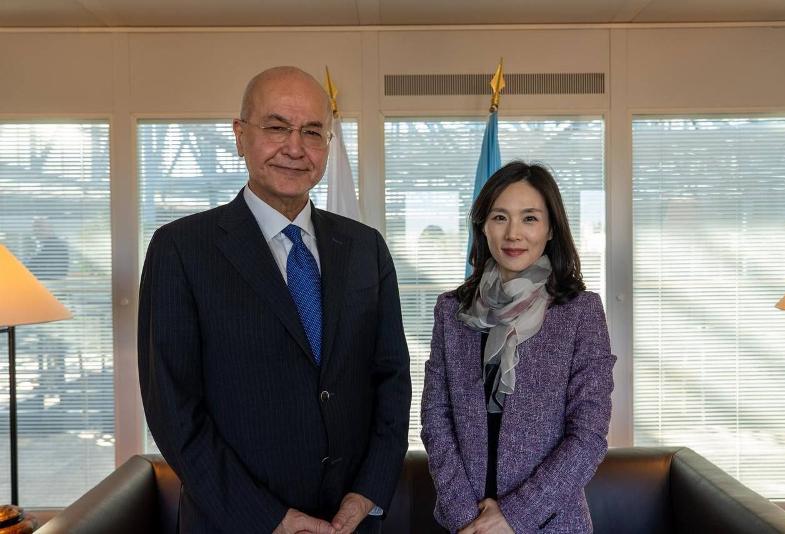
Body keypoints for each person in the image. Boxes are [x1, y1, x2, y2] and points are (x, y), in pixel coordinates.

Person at [138, 66, 411, 534]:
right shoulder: (181, 249)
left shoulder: (366, 247)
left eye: (312, 132)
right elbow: (174, 409)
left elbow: (391, 378)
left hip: (351, 522)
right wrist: (270, 518)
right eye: (276, 127)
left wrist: (368, 491)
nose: (294, 147)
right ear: (240, 135)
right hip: (234, 522)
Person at [421, 162, 615, 533]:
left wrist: (512, 517)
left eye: (529, 218)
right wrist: (469, 519)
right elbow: (435, 417)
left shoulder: (580, 312)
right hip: (465, 524)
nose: (513, 234)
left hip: (551, 522)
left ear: (551, 228)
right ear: (483, 225)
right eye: (500, 217)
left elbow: (588, 434)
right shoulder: (452, 310)